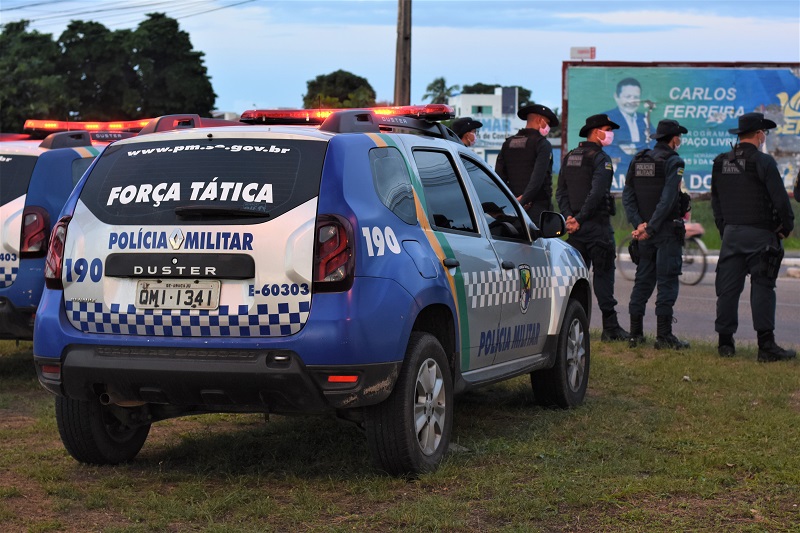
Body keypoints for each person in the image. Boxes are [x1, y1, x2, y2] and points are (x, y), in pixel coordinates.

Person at [711, 112, 796, 362]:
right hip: (761, 235)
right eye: (764, 134)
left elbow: (716, 201)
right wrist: (786, 227)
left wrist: (725, 228)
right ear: (759, 135)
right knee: (763, 288)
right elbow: (780, 199)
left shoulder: (719, 162)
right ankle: (766, 346)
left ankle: (725, 344)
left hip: (731, 235)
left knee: (727, 290)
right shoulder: (764, 162)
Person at [556, 114, 629, 341]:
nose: (610, 134)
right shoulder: (601, 158)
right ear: (596, 131)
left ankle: (569, 327)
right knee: (604, 276)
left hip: (576, 232)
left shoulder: (569, 157)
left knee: (574, 280)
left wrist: (570, 218)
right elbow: (597, 192)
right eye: (607, 129)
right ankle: (610, 328)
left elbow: (561, 192)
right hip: (597, 228)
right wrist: (579, 218)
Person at [622, 119, 691, 350]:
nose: (679, 141)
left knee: (642, 281)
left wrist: (639, 224)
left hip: (644, 234)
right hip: (664, 233)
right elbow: (668, 198)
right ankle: (664, 337)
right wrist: (650, 227)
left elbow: (628, 195)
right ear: (673, 140)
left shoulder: (638, 159)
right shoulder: (674, 162)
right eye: (678, 137)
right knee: (667, 282)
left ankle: (635, 335)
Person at [495, 104, 558, 223]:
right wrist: (523, 200)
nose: (548, 127)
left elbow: (499, 177)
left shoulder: (508, 143)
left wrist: (512, 201)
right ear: (540, 120)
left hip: (511, 209)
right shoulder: (542, 144)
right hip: (536, 209)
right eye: (548, 123)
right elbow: (537, 178)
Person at [604, 78, 653, 180]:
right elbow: (605, 146)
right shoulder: (607, 118)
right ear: (616, 97)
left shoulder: (643, 118)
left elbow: (654, 141)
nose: (632, 101)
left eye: (636, 97)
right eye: (628, 97)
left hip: (642, 172)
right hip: (618, 174)